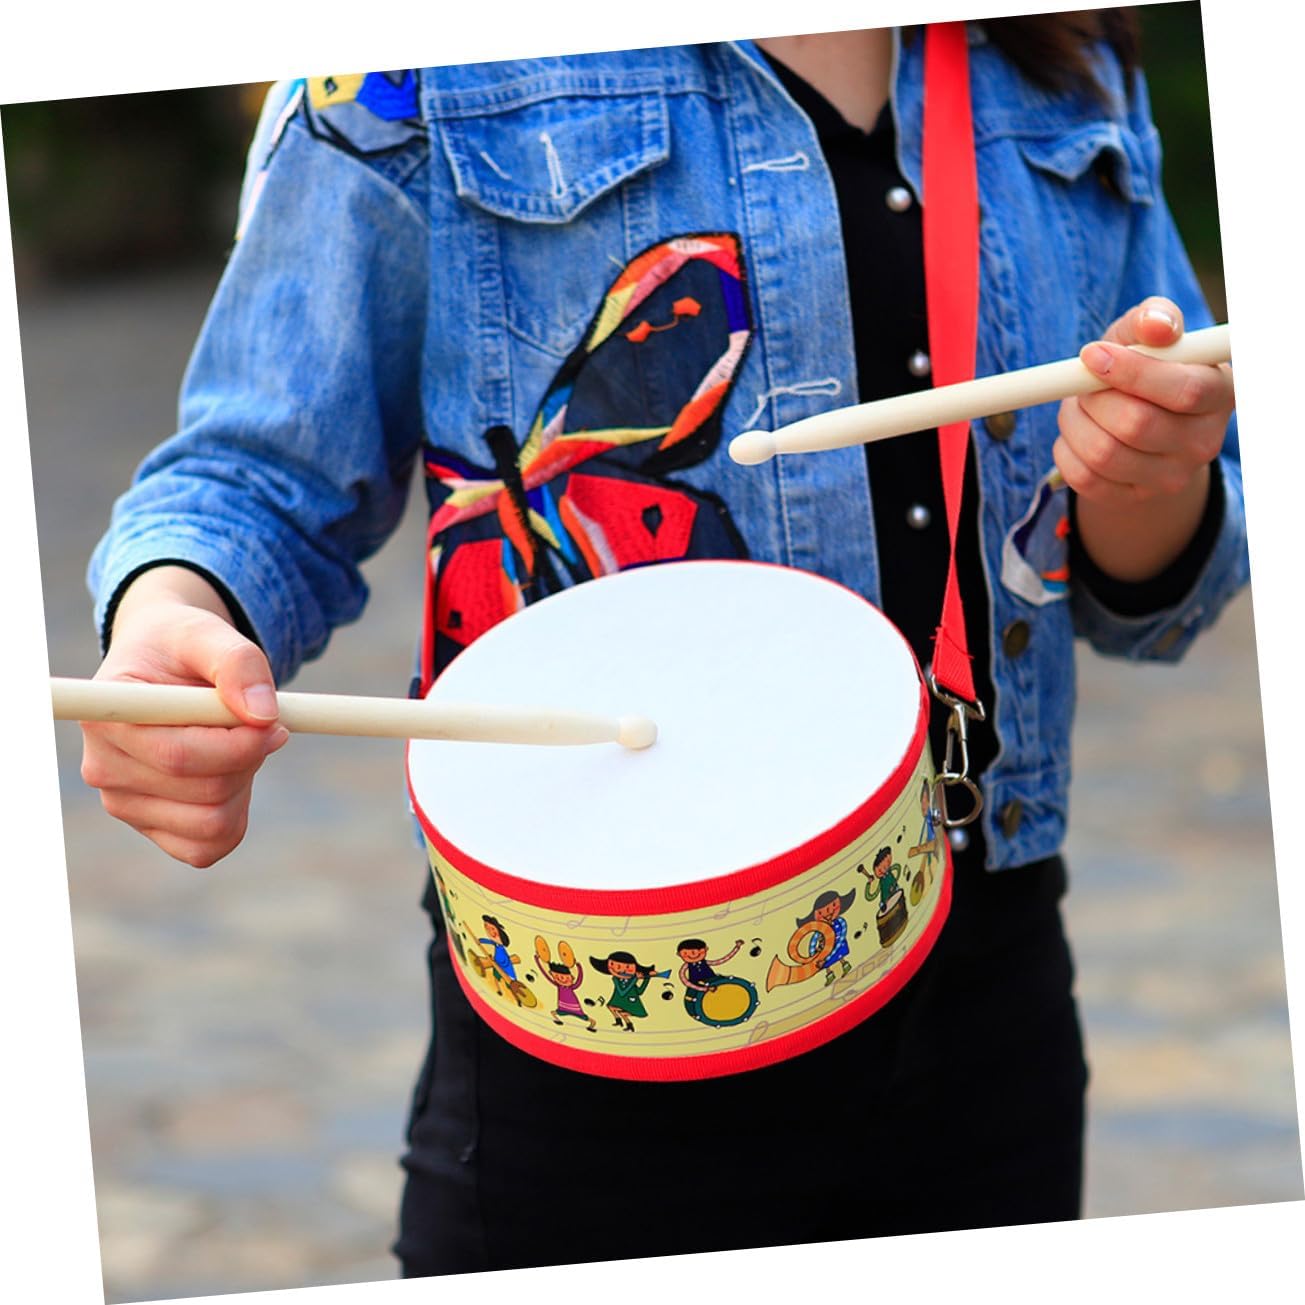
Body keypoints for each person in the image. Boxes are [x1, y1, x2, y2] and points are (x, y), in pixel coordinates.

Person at [79, 12, 1246, 1276]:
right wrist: (172, 618)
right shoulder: (414, 62)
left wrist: (1149, 471)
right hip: (595, 988)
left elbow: (1153, 585)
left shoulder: (1066, 50)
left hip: (984, 972)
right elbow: (257, 471)